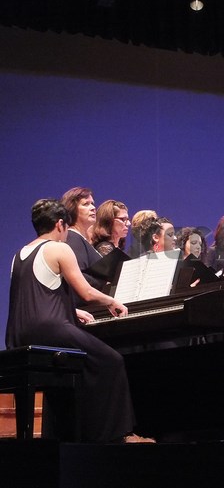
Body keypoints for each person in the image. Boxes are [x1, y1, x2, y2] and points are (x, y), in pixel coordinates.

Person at [5, 199, 153, 443]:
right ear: (60, 224)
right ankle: (115, 437)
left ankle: (73, 434)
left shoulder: (19, 254)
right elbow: (86, 292)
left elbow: (35, 296)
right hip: (50, 331)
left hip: (19, 334)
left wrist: (72, 312)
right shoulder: (59, 248)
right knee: (111, 361)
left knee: (83, 365)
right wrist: (111, 301)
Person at [60, 187, 104, 303]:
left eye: (92, 203)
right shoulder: (73, 238)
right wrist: (106, 282)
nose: (93, 208)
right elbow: (77, 278)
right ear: (72, 209)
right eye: (86, 204)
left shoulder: (80, 239)